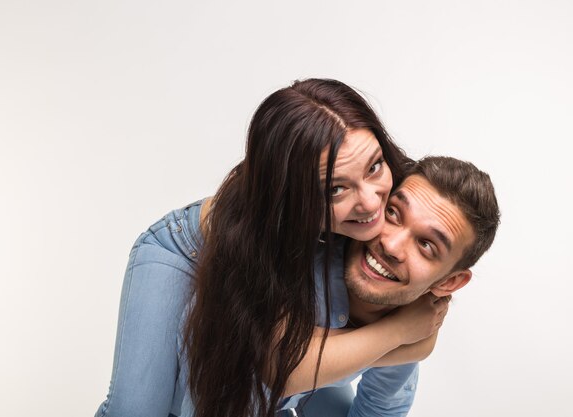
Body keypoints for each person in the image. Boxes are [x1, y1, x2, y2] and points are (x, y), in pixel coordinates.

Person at [94, 79, 447, 417]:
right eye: (336, 189)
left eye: (374, 166)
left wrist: (413, 336)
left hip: (294, 324)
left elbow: (399, 370)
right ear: (292, 196)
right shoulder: (263, 236)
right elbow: (281, 366)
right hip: (184, 251)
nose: (371, 204)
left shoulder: (401, 206)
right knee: (140, 408)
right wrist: (401, 334)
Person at [286, 155, 501, 416]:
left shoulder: (413, 321)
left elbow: (379, 410)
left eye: (426, 245)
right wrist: (397, 334)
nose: (391, 245)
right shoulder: (294, 259)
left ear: (449, 282)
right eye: (393, 213)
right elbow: (276, 367)